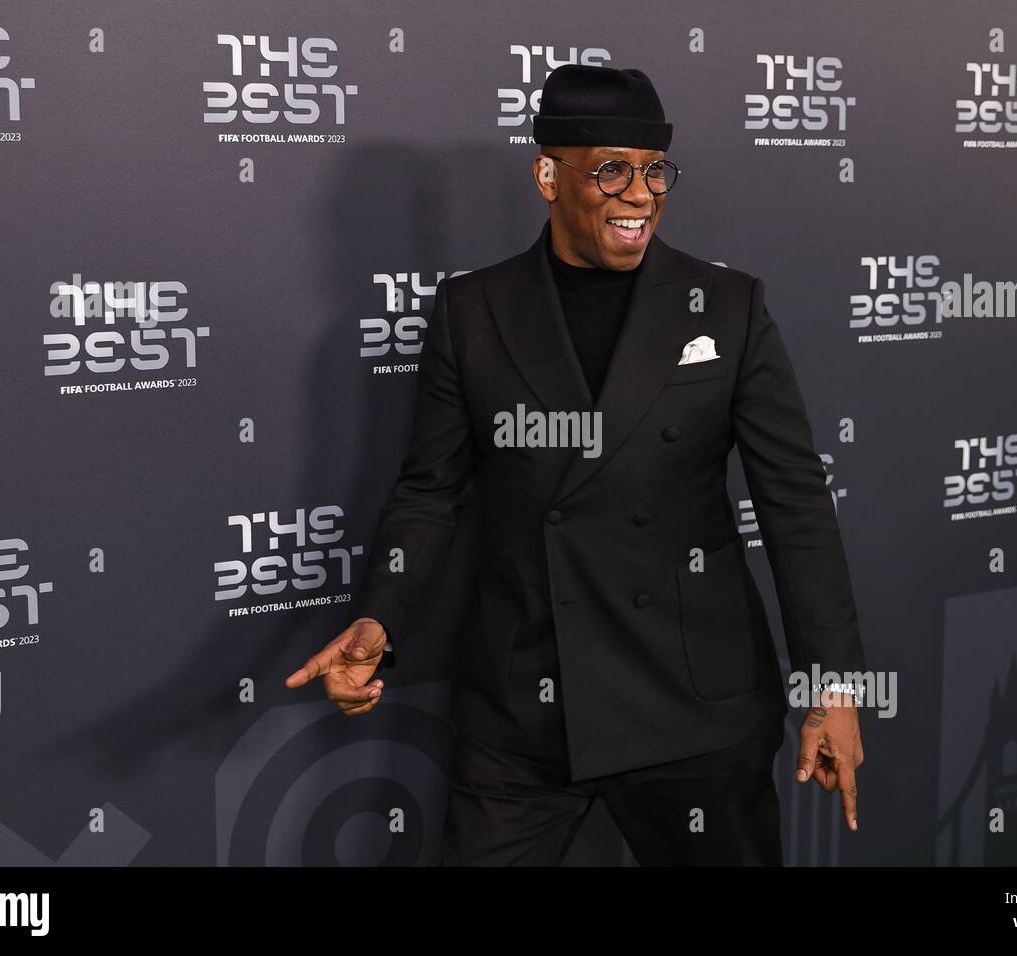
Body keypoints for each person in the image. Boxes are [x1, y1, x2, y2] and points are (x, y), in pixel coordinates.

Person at [286, 64, 868, 865]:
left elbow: (796, 504)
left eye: (655, 169)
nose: (640, 194)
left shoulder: (727, 307)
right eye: (611, 170)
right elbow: (430, 492)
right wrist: (379, 619)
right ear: (547, 176)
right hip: (522, 708)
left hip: (692, 710)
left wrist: (834, 688)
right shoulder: (471, 311)